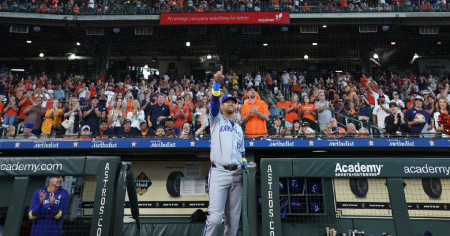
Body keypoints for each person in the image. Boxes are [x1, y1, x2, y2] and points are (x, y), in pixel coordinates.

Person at [203, 66, 247, 236]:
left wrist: (245, 165)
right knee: (214, 219)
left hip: (237, 175)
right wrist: (216, 84)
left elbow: (242, 153)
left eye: (234, 102)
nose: (231, 103)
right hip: (219, 172)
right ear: (222, 106)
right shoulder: (216, 120)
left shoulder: (238, 128)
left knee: (233, 221)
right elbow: (214, 103)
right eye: (228, 101)